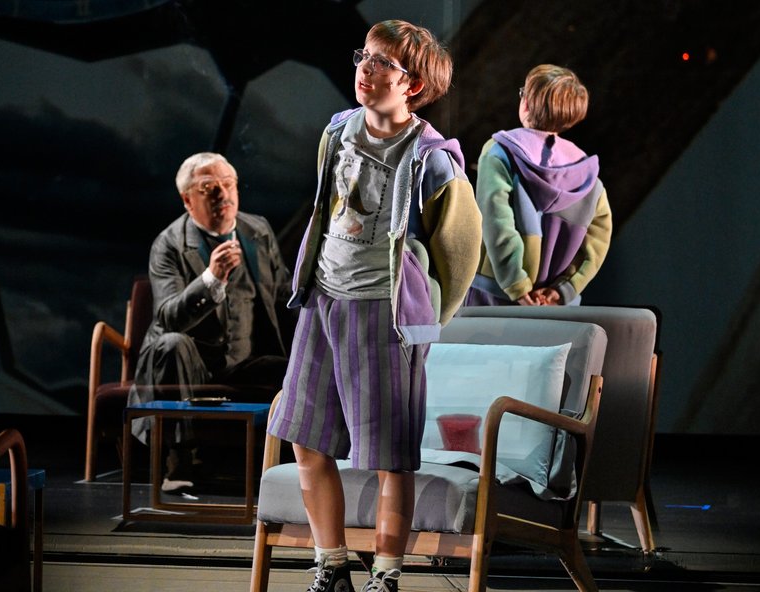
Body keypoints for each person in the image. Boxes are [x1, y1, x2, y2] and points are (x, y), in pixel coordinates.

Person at [265, 20, 482, 592]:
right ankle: (331, 564)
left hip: (383, 315)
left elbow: (460, 255)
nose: (366, 68)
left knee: (390, 456)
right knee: (305, 437)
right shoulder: (337, 131)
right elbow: (327, 207)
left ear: (413, 85)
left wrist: (420, 319)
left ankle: (385, 576)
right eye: (364, 55)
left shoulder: (433, 160)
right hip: (322, 302)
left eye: (383, 62)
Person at [127, 151, 293, 493]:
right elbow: (168, 317)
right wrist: (211, 278)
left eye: (228, 184)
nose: (222, 194)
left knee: (298, 367)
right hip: (190, 363)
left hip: (243, 361)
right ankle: (177, 463)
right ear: (188, 200)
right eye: (208, 188)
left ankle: (291, 468)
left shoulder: (257, 231)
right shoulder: (169, 244)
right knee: (172, 344)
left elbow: (283, 294)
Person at [464, 64, 612, 308]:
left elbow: (497, 222)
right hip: (552, 306)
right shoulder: (589, 177)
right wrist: (562, 290)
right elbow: (596, 245)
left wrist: (517, 284)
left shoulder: (500, 152)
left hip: (493, 296)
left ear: (527, 103)